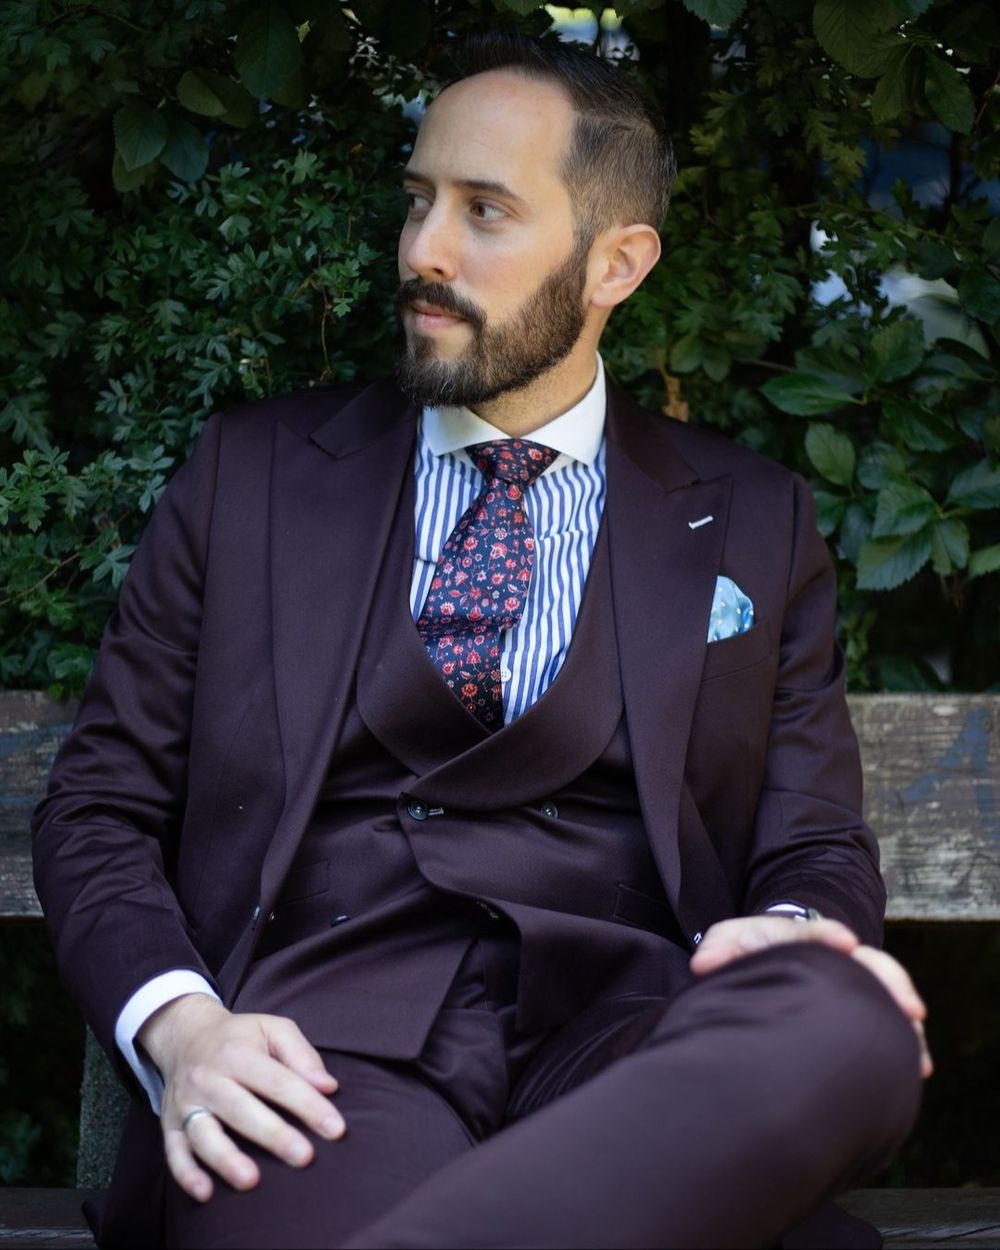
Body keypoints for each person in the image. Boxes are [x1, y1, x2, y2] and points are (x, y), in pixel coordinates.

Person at [33, 31, 928, 1250]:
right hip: (321, 1058)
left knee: (848, 1018)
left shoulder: (752, 518)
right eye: (417, 203)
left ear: (617, 261)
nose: (422, 252)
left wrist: (781, 935)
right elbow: (96, 805)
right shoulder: (252, 477)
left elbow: (814, 841)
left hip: (636, 1049)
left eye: (484, 211)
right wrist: (186, 1031)